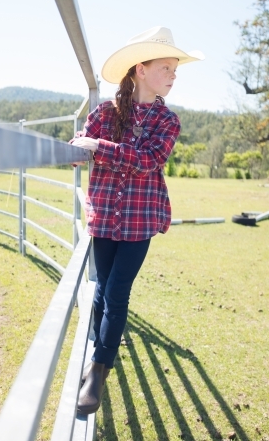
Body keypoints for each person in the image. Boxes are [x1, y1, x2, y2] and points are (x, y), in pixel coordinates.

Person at [70, 26, 204, 415]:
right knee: (101, 289)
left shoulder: (168, 121)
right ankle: (100, 348)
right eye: (167, 67)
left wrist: (99, 147)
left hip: (140, 222)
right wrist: (82, 146)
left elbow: (148, 161)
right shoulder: (105, 114)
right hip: (104, 219)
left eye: (176, 69)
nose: (174, 75)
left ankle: (97, 370)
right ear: (140, 70)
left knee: (116, 292)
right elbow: (82, 143)